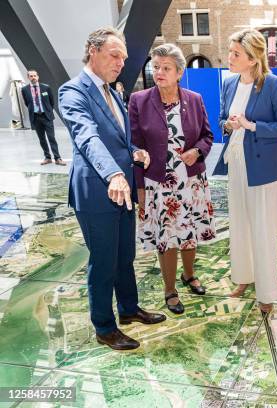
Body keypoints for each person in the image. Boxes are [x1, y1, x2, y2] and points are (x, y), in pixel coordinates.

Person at [59, 27, 166, 351]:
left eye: (124, 57)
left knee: (125, 255)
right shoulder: (73, 92)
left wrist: (135, 152)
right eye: (114, 54)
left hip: (122, 189)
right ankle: (104, 327)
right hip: (98, 192)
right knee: (104, 261)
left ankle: (129, 309)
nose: (121, 62)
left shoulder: (112, 92)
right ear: (93, 51)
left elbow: (119, 138)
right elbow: (87, 137)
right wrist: (114, 175)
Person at [212, 29, 277, 313]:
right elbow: (221, 119)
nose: (230, 57)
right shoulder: (229, 84)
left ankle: (267, 291)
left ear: (252, 58)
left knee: (263, 228)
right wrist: (229, 124)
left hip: (264, 168)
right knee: (240, 224)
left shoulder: (273, 85)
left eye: (236, 53)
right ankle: (243, 278)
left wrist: (251, 125)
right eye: (230, 51)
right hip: (236, 162)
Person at [129, 43, 216, 315]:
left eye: (166, 68)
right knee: (167, 237)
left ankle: (189, 275)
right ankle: (170, 290)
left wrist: (197, 151)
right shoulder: (139, 101)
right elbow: (134, 145)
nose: (159, 73)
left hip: (191, 181)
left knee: (189, 232)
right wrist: (140, 188)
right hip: (158, 184)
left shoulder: (194, 99)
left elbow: (207, 136)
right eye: (155, 67)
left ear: (179, 72)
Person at [21, 70, 66, 165]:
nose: (33, 77)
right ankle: (47, 157)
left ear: (38, 77)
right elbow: (27, 103)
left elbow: (51, 102)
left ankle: (57, 158)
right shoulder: (24, 89)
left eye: (34, 76)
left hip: (46, 117)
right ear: (28, 78)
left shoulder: (46, 88)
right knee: (41, 139)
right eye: (31, 76)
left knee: (51, 138)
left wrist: (47, 111)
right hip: (36, 117)